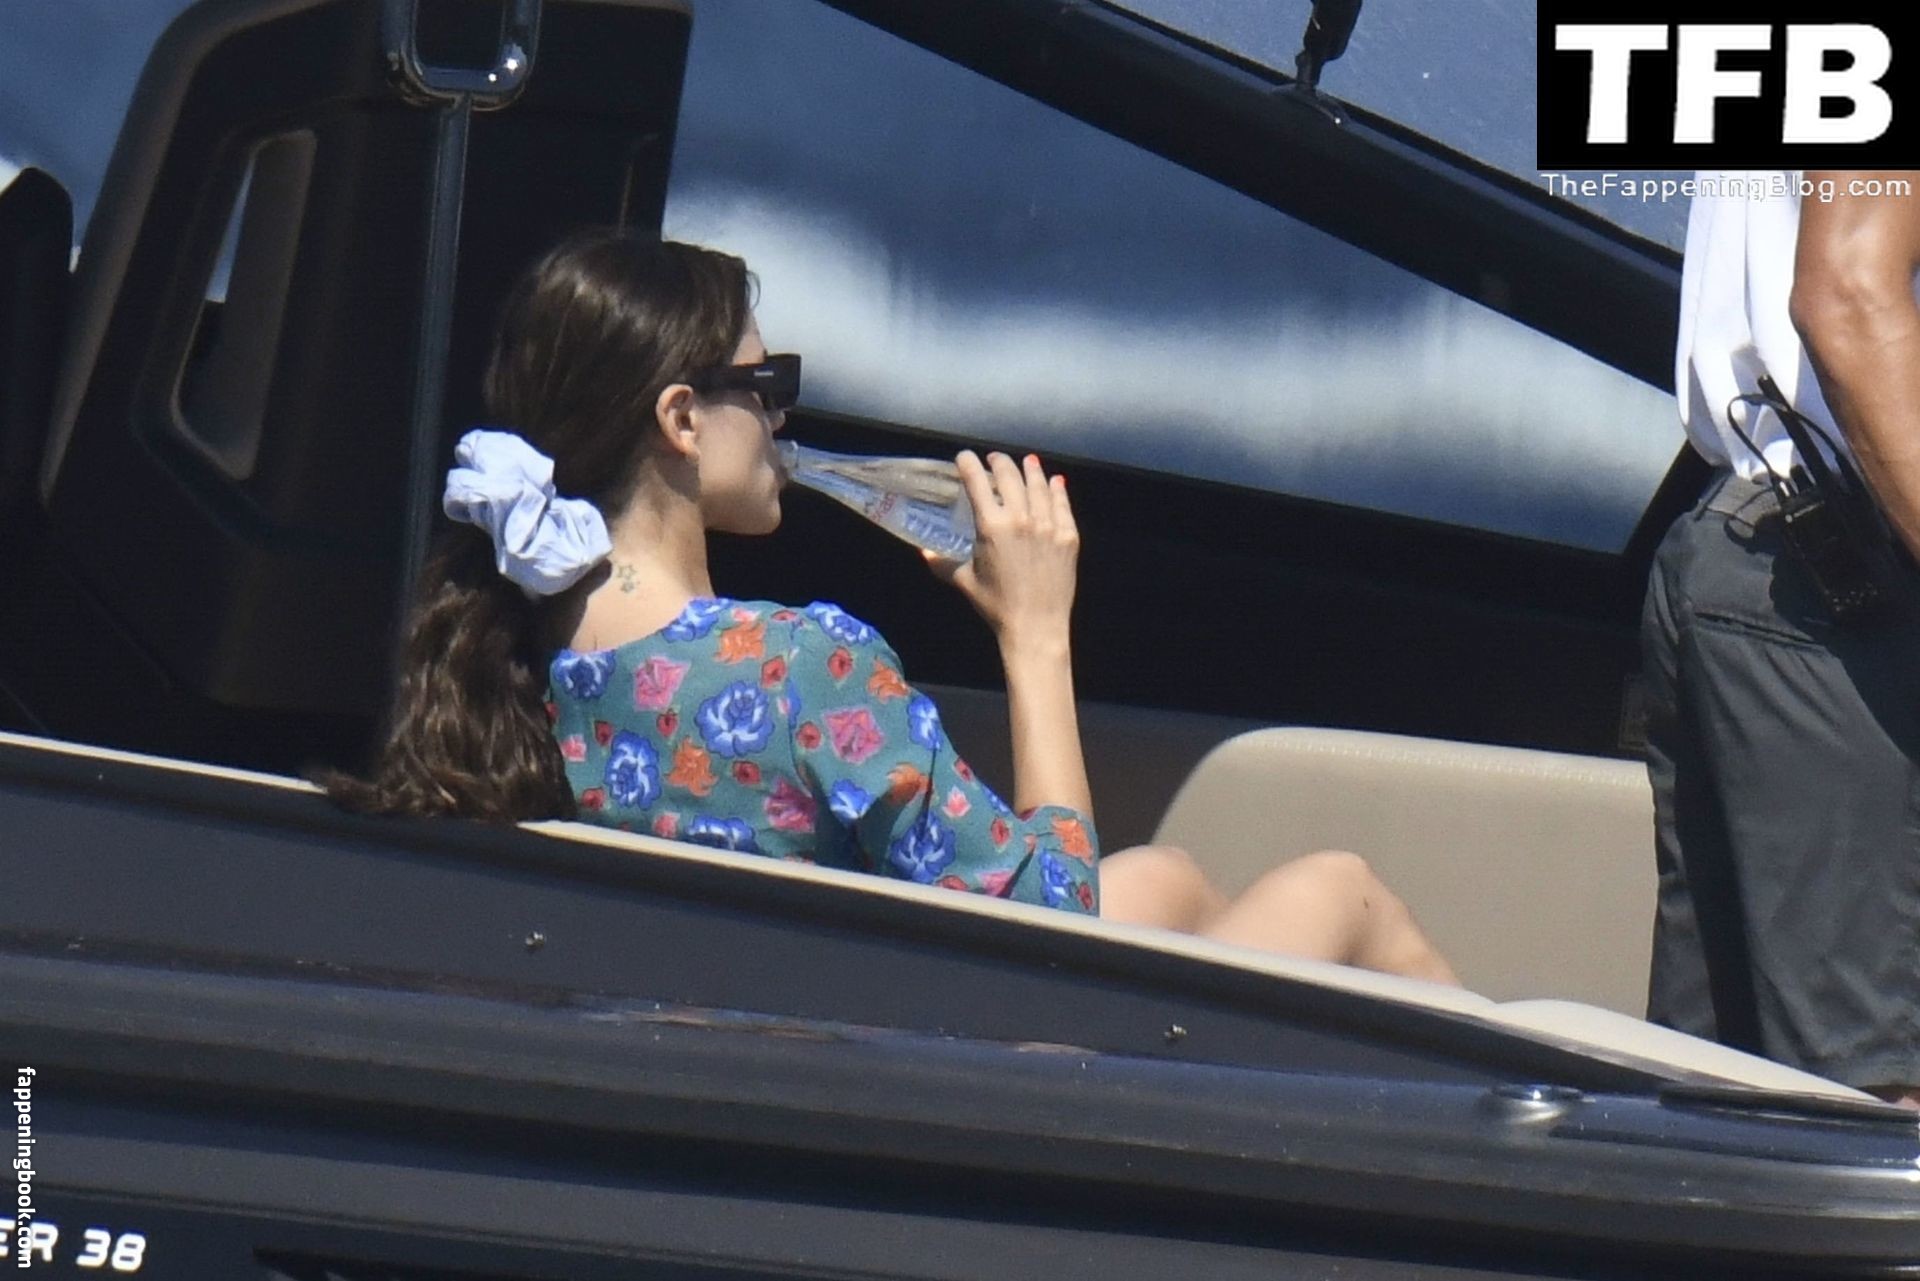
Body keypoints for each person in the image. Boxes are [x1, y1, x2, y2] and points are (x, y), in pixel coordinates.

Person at [324, 229, 1457, 984]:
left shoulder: (527, 647)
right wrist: (1036, 634)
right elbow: (1055, 935)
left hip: (772, 1049)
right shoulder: (800, 666)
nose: (781, 419)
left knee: (1165, 879)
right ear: (681, 420)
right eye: (766, 387)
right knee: (1340, 890)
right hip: (959, 1073)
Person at [1646, 170, 1920, 1109]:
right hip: (1848, 593)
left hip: (1769, 554)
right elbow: (1847, 293)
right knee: (1881, 1132)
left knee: (1718, 1122)